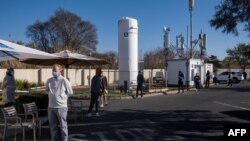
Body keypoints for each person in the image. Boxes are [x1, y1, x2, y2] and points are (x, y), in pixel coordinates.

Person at [46, 64, 73, 141]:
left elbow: (70, 92)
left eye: (55, 70)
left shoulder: (64, 80)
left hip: (61, 107)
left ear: (60, 71)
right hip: (51, 107)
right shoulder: (49, 80)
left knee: (63, 126)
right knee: (53, 126)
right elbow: (46, 90)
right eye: (53, 70)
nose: (54, 72)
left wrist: (62, 97)